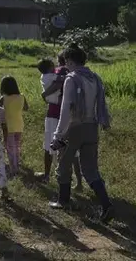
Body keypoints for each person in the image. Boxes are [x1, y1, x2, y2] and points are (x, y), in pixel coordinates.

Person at [49, 43, 113, 223]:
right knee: (90, 169)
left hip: (74, 128)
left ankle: (63, 200)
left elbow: (66, 110)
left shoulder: (72, 78)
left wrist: (58, 135)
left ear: (69, 60)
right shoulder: (94, 78)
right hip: (92, 127)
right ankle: (107, 205)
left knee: (63, 164)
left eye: (66, 61)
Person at [36, 58, 84, 188]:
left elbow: (57, 85)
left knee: (49, 145)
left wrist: (45, 94)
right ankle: (78, 181)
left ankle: (47, 175)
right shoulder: (70, 73)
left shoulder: (60, 71)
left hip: (54, 113)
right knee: (72, 149)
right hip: (67, 114)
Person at [0, 76, 29, 177]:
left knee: (9, 147)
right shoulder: (22, 97)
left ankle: (13, 168)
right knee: (17, 145)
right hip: (19, 125)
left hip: (8, 126)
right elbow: (26, 108)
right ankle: (17, 164)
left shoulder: (3, 98)